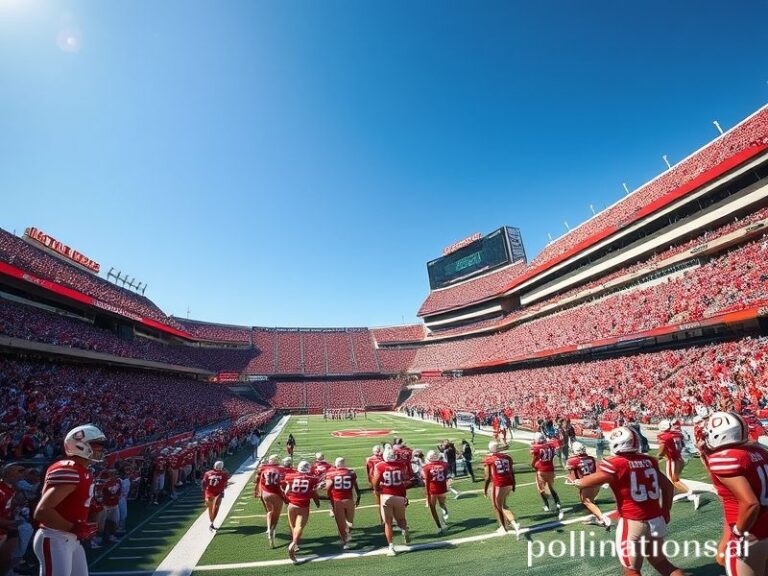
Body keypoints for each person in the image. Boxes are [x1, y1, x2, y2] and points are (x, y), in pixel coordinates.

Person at [573, 426, 683, 576]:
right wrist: (665, 510)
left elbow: (586, 482)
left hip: (633, 523)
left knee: (631, 570)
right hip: (656, 519)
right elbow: (668, 487)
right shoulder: (650, 460)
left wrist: (577, 482)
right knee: (662, 563)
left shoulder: (615, 464)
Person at [33, 424, 105, 576]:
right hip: (54, 536)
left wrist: (88, 510)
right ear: (80, 445)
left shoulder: (83, 471)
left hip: (68, 538)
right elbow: (43, 511)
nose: (100, 449)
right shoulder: (69, 469)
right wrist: (74, 527)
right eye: (96, 445)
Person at [705, 411, 768, 574]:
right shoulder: (760, 452)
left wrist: (737, 535)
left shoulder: (725, 458)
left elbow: (750, 503)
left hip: (751, 533)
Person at [373, 446, 411, 556]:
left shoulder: (380, 466)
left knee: (388, 523)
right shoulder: (401, 465)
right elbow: (405, 480)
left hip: (386, 496)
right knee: (401, 519)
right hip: (399, 495)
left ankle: (391, 547)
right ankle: (404, 530)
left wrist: (377, 490)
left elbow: (375, 481)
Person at [565, 442, 611, 529]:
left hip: (586, 483)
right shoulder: (591, 458)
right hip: (596, 482)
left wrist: (573, 480)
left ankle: (602, 518)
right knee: (591, 501)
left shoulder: (573, 460)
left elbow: (571, 472)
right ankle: (594, 518)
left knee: (586, 501)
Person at [657, 419, 700, 509]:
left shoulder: (664, 436)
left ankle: (691, 494)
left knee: (674, 480)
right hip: (679, 458)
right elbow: (682, 445)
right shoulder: (677, 434)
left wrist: (657, 457)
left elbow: (662, 450)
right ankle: (678, 493)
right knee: (675, 479)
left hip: (672, 460)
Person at [282, 461, 320, 563]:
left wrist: (287, 500)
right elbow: (313, 492)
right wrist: (317, 502)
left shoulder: (290, 476)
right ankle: (293, 544)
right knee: (299, 527)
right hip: (303, 506)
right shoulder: (312, 479)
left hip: (291, 505)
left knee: (292, 526)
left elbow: (286, 491)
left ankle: (295, 544)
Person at [483, 440, 519, 535]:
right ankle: (511, 523)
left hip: (499, 484)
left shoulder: (489, 459)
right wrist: (514, 485)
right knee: (503, 505)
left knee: (498, 506)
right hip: (509, 483)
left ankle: (505, 527)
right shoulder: (507, 457)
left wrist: (485, 489)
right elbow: (512, 472)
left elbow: (487, 477)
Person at [325, 457, 360, 549]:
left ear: (336, 464)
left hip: (337, 501)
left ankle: (345, 542)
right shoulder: (351, 472)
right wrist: (359, 496)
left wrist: (329, 497)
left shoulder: (331, 473)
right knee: (350, 522)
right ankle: (347, 535)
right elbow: (355, 485)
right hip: (349, 500)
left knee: (340, 524)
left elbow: (328, 488)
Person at [530, 433, 564, 520]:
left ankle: (547, 505)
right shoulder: (550, 444)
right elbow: (558, 445)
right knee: (551, 487)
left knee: (541, 490)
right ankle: (557, 503)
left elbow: (534, 457)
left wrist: (533, 465)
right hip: (551, 469)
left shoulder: (536, 447)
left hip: (541, 470)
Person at [254, 455, 284, 548]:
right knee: (276, 514)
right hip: (277, 493)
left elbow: (256, 480)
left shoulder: (263, 468)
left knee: (269, 511)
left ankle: (268, 528)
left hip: (265, 493)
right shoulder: (281, 468)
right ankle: (272, 530)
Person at [0, 463, 24, 576]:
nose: (21, 475)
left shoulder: (12, 488)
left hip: (7, 525)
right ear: (9, 473)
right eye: (18, 472)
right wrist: (11, 522)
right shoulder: (1, 490)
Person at [422, 451, 451, 535]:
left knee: (432, 509)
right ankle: (445, 512)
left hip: (432, 490)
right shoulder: (444, 464)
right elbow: (446, 476)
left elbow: (427, 482)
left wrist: (427, 495)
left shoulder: (427, 467)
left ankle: (439, 526)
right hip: (442, 488)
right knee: (442, 503)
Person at [202, 461, 230, 532]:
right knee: (216, 507)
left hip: (209, 491)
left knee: (210, 508)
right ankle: (212, 523)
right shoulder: (224, 474)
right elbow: (225, 484)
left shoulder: (207, 473)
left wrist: (204, 492)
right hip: (219, 492)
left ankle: (211, 521)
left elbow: (204, 483)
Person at [366, 445, 384, 522]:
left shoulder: (369, 459)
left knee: (380, 503)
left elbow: (369, 472)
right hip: (384, 481)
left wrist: (370, 482)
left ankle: (382, 519)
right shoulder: (384, 459)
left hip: (375, 481)